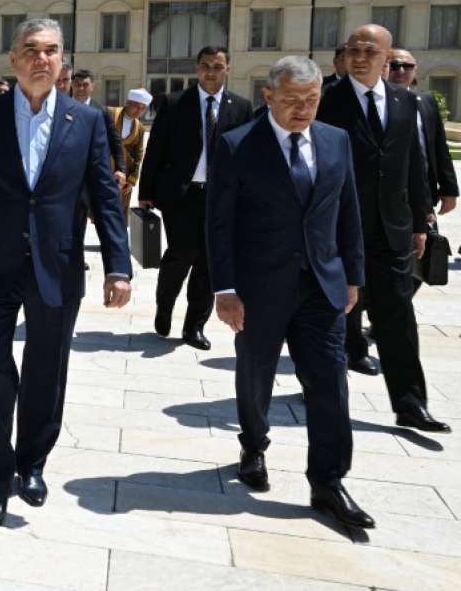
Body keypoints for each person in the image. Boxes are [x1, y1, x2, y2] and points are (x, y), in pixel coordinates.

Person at [0, 19, 131, 530]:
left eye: (51, 50)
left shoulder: (85, 120)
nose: (41, 59)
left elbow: (104, 197)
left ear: (61, 61)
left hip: (57, 263)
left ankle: (32, 463)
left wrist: (118, 265)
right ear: (13, 60)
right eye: (31, 49)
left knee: (47, 370)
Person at [207, 55, 373, 528]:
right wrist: (225, 289)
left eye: (311, 100)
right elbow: (219, 225)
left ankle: (328, 481)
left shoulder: (336, 140)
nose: (302, 109)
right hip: (259, 288)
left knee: (330, 383)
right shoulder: (237, 145)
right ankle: (253, 446)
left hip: (322, 286)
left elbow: (348, 212)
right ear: (268, 97)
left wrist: (353, 277)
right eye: (292, 100)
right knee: (255, 374)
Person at [316, 25, 448, 432]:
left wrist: (420, 220)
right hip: (338, 229)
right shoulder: (325, 100)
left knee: (397, 316)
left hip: (392, 229)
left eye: (369, 52)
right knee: (332, 315)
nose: (359, 58)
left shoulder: (404, 101)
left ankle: (410, 404)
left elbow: (413, 164)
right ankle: (318, 387)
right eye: (353, 50)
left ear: (387, 58)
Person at [137, 45, 252, 350]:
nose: (211, 72)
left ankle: (194, 326)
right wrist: (146, 192)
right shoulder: (175, 103)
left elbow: (246, 156)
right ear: (197, 68)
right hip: (181, 195)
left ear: (228, 69)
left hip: (220, 198)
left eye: (217, 66)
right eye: (205, 66)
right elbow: (156, 149)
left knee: (209, 262)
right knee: (182, 253)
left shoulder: (241, 107)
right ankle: (164, 306)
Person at [386, 49, 458, 220]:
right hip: (387, 190)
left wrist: (449, 189)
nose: (401, 71)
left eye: (407, 66)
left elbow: (439, 147)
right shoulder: (375, 101)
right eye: (394, 65)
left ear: (415, 70)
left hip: (423, 190)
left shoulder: (427, 101)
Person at [109, 89, 152, 212]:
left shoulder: (140, 128)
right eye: (136, 106)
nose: (138, 111)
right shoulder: (111, 114)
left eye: (142, 108)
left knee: (119, 212)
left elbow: (138, 155)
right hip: (103, 168)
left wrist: (132, 179)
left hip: (124, 175)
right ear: (128, 102)